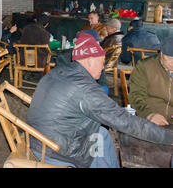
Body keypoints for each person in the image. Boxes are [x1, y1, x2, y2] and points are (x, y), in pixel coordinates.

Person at [26, 33, 173, 168]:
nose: (103, 68)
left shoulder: (60, 72)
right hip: (57, 151)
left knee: (102, 133)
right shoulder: (86, 88)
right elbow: (124, 122)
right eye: (102, 62)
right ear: (89, 61)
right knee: (108, 135)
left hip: (40, 138)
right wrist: (168, 137)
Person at [129, 37, 173, 126]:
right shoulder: (145, 66)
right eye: (169, 58)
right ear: (161, 53)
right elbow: (135, 95)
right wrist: (149, 114)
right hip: (151, 119)